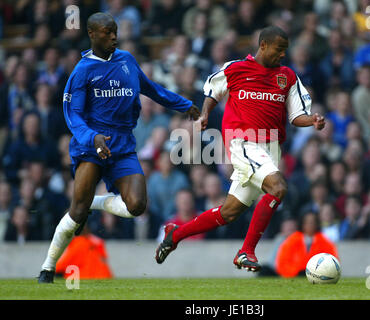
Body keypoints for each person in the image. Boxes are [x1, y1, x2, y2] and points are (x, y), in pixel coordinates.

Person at [37, 12, 200, 283]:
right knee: (77, 212)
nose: (114, 36)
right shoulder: (81, 71)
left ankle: (95, 203)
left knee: (137, 205)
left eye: (115, 31)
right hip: (91, 146)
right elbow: (73, 115)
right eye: (107, 32)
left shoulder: (126, 60)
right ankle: (47, 266)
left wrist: (184, 105)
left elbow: (152, 89)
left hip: (123, 145)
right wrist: (92, 138)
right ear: (92, 34)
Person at [155, 26, 325, 272]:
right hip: (243, 142)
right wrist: (204, 115)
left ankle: (174, 235)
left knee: (229, 212)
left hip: (270, 149)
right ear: (263, 45)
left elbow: (297, 114)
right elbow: (213, 89)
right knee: (278, 188)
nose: (282, 55)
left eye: (285, 51)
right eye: (279, 49)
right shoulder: (236, 68)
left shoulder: (287, 76)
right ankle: (246, 251)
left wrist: (313, 121)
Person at [274, 212, 339, 278]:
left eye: (312, 222)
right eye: (307, 222)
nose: (310, 225)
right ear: (302, 224)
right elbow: (282, 263)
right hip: (295, 276)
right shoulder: (291, 241)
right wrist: (296, 272)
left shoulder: (326, 242)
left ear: (317, 224)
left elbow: (333, 263)